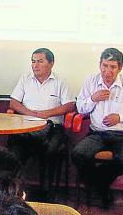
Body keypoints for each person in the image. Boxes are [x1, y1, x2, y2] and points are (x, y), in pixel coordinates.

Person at [71, 48, 123, 207]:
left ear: (119, 68)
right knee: (78, 154)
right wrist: (93, 98)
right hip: (97, 134)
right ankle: (102, 187)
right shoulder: (91, 81)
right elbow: (80, 108)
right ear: (99, 65)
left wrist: (120, 117)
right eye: (104, 65)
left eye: (112, 67)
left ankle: (100, 184)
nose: (107, 71)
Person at [7, 48, 76, 194]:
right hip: (26, 126)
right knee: (13, 149)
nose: (35, 65)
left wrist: (47, 114)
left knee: (51, 150)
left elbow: (70, 105)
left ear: (51, 64)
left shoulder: (60, 82)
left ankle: (46, 192)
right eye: (33, 61)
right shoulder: (25, 79)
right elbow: (14, 103)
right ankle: (16, 191)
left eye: (40, 61)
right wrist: (31, 114)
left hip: (52, 127)